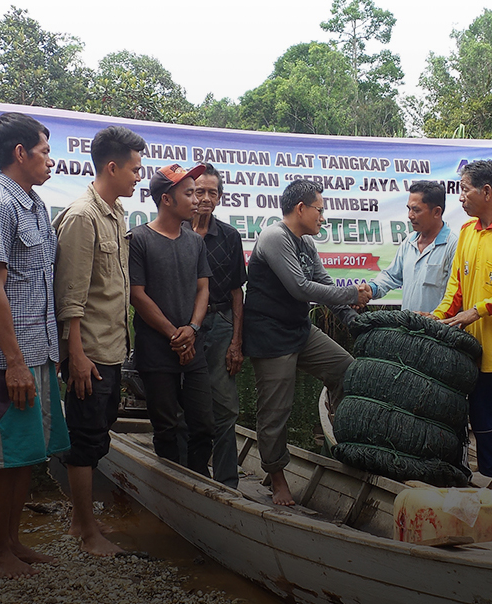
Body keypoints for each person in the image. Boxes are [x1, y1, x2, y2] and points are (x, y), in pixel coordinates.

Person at [0, 113, 70, 577]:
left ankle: (13, 541)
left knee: (28, 452)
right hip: (13, 358)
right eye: (45, 151)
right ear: (20, 153)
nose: (51, 160)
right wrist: (14, 362)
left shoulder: (34, 206)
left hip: (39, 351)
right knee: (5, 455)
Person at [243, 179, 371, 506]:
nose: (322, 217)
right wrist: (349, 293)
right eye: (320, 209)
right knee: (276, 411)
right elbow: (300, 288)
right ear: (300, 208)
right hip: (270, 335)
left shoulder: (306, 243)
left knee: (347, 370)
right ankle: (277, 478)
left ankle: (345, 442)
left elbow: (323, 282)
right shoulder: (274, 238)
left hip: (299, 329)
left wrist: (353, 320)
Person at [53, 126, 146, 556]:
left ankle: (84, 522)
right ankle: (83, 529)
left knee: (98, 433)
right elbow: (70, 296)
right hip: (89, 350)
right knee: (85, 437)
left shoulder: (115, 212)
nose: (137, 177)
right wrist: (76, 355)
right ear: (112, 166)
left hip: (111, 348)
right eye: (134, 169)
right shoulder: (82, 216)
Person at [432, 160, 492, 493]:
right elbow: (455, 289)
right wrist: (438, 315)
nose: (460, 197)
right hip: (472, 352)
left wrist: (479, 310)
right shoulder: (465, 232)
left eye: (464, 189)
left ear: (486, 191)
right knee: (484, 421)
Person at [129, 163, 216, 478]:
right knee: (167, 426)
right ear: (167, 199)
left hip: (192, 346)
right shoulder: (139, 239)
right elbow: (137, 294)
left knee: (203, 423)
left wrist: (191, 329)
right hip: (156, 349)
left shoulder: (194, 241)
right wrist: (174, 335)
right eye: (189, 193)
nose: (197, 200)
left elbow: (203, 287)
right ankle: (173, 484)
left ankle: (198, 481)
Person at [184, 163, 247, 488]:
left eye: (211, 192)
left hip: (221, 323)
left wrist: (237, 343)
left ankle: (227, 483)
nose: (204, 198)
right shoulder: (175, 233)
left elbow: (238, 293)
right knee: (187, 404)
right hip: (183, 329)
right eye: (198, 191)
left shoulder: (230, 236)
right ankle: (191, 475)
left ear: (219, 197)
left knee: (225, 407)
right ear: (188, 195)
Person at [365, 181, 457, 312]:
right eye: (409, 209)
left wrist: (437, 318)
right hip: (408, 330)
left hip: (438, 330)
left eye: (416, 210)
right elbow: (391, 276)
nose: (410, 216)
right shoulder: (409, 242)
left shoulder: (453, 246)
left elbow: (455, 297)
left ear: (437, 212)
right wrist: (371, 289)